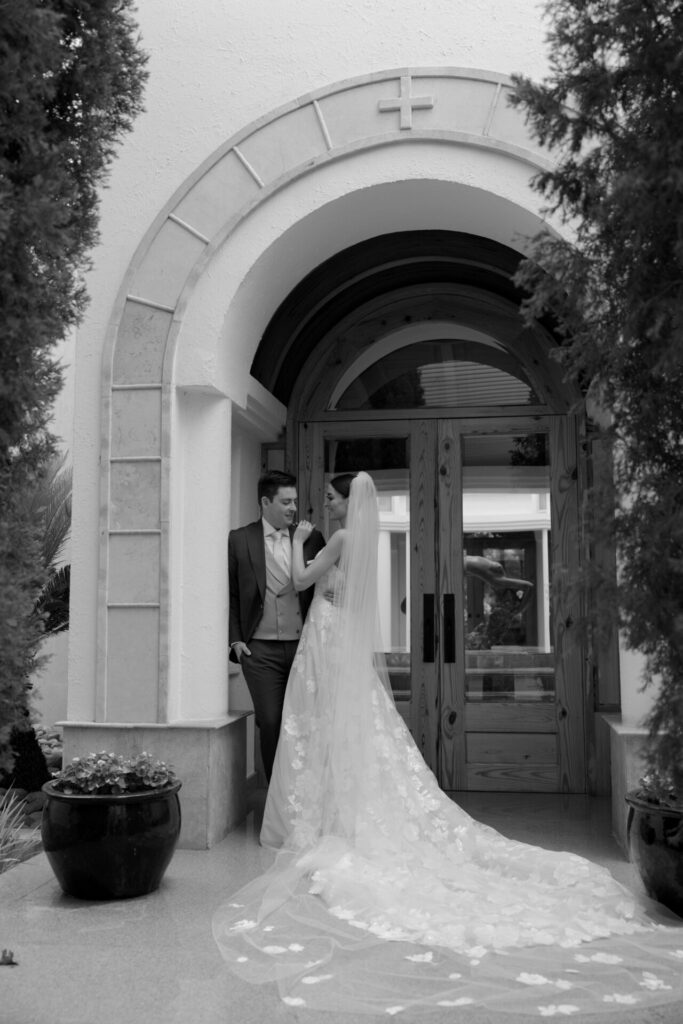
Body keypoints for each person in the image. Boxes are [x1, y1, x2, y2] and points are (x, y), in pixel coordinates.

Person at [215, 472, 683, 1016]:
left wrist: (297, 543)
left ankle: (326, 814)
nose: (322, 503)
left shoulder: (335, 539)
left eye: (330, 496)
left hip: (324, 636)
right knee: (343, 731)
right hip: (336, 641)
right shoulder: (358, 539)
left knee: (319, 728)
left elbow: (298, 582)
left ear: (348, 502)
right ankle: (336, 810)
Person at [228, 469, 325, 781]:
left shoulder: (311, 539)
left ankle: (304, 792)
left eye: (294, 501)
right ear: (265, 502)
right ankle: (276, 799)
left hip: (303, 647)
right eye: (286, 502)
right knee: (270, 721)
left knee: (303, 721)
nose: (293, 508)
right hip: (259, 650)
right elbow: (230, 592)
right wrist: (235, 640)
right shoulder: (240, 539)